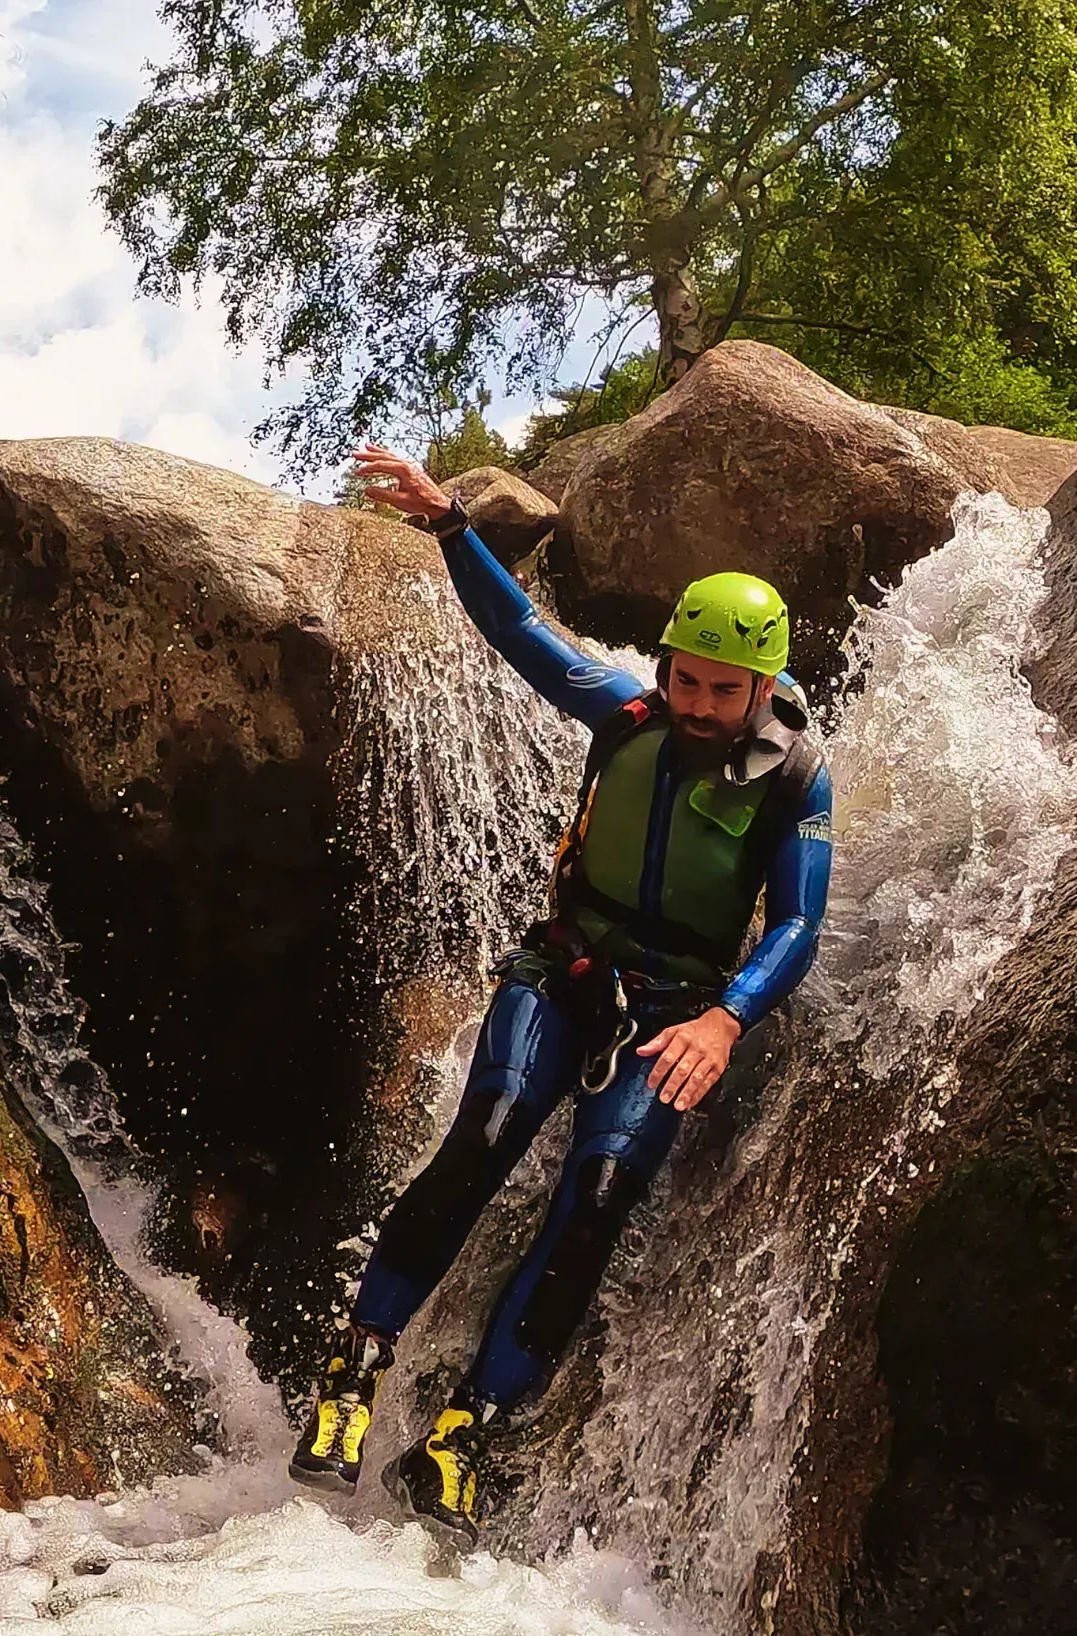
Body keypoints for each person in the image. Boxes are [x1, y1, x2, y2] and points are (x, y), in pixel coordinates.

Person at [289, 444, 834, 1545]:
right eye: (685, 676)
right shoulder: (628, 715)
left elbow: (798, 924)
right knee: (483, 1136)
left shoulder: (798, 780)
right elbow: (522, 637)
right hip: (562, 970)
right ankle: (351, 1375)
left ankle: (464, 1435)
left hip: (675, 1014)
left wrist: (729, 1017)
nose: (695, 701)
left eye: (721, 689)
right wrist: (451, 524)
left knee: (591, 1210)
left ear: (765, 688)